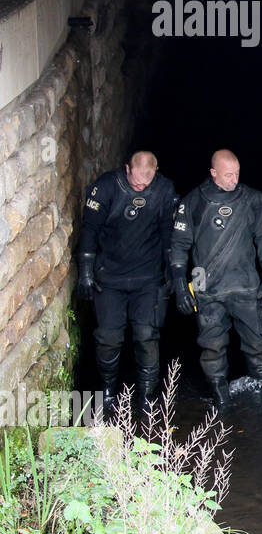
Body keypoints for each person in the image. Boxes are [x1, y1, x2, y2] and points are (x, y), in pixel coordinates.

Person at [169, 149, 262, 408]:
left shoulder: (252, 199)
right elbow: (179, 246)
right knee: (212, 343)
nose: (234, 180)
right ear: (213, 173)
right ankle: (220, 397)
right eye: (228, 175)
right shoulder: (193, 202)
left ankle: (259, 391)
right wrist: (181, 286)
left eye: (237, 174)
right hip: (207, 285)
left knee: (259, 340)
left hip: (245, 282)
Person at [77, 151, 178, 412]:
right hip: (109, 276)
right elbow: (89, 229)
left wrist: (173, 271)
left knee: (146, 335)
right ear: (127, 169)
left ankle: (147, 396)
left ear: (155, 171)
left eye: (147, 182)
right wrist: (86, 271)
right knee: (109, 337)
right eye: (136, 182)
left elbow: (169, 233)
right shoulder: (106, 187)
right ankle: (109, 392)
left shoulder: (164, 190)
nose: (141, 187)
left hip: (147, 278)